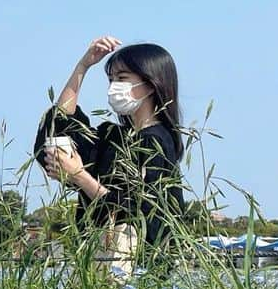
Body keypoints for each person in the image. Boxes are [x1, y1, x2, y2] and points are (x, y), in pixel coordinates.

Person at [35, 35, 184, 275]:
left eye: (122, 78)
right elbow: (60, 126)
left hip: (138, 268)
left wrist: (79, 175)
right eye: (111, 79)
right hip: (98, 255)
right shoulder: (114, 136)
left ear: (151, 84)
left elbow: (139, 212)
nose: (114, 86)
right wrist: (83, 66)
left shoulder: (156, 141)